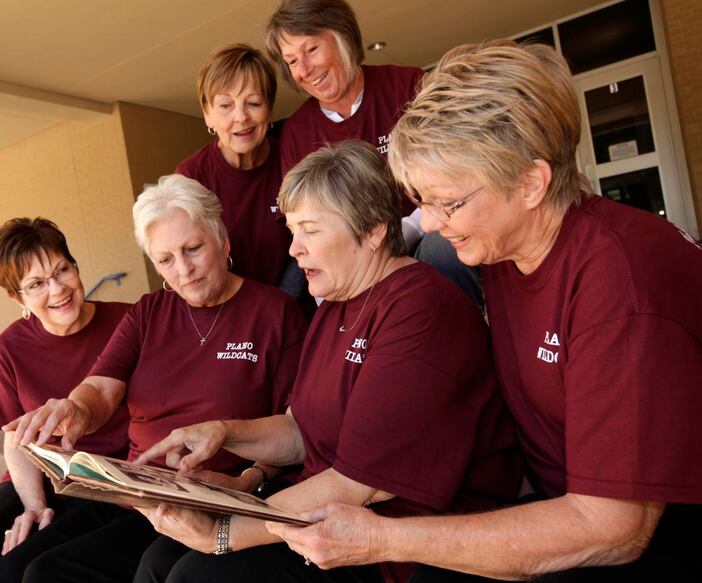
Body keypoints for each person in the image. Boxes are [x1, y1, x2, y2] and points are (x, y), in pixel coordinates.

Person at [268, 41, 702, 582]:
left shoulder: (620, 283)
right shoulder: (504, 250)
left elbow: (615, 528)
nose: (426, 224)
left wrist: (381, 536)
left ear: (530, 183)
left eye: (447, 203)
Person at [134, 141, 522, 583]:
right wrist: (224, 434)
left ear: (374, 229)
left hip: (394, 539)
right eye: (292, 232)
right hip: (326, 510)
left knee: (198, 574)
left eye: (310, 231)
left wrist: (224, 533)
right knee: (158, 561)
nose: (294, 250)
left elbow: (360, 483)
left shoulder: (419, 307)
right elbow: (301, 429)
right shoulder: (334, 303)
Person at [1, 174, 307, 583]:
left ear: (223, 240)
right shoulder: (148, 313)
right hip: (137, 491)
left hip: (212, 494)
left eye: (193, 249)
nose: (184, 270)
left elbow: (294, 427)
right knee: (25, 571)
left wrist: (247, 480)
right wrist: (75, 409)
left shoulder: (274, 312)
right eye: (165, 260)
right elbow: (101, 389)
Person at [0, 217, 131, 583]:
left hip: (104, 476)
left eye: (62, 270)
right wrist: (34, 505)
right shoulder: (9, 348)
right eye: (37, 284)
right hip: (36, 473)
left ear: (75, 266)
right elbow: (14, 437)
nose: (58, 290)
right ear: (17, 297)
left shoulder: (128, 321)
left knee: (15, 572)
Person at [265, 0, 482, 310]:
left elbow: (454, 175)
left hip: (425, 239)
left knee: (445, 247)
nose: (303, 70)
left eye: (311, 50)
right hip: (352, 266)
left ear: (343, 37)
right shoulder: (297, 132)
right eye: (290, 60)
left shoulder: (407, 86)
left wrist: (409, 230)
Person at [176, 43, 295, 293]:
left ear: (270, 107)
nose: (241, 117)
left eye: (253, 102)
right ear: (207, 114)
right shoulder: (191, 179)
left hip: (295, 302)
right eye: (225, 105)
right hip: (229, 311)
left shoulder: (292, 156)